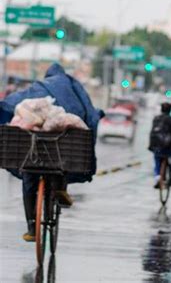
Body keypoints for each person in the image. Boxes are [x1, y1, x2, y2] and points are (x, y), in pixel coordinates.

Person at [0, 63, 103, 242]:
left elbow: (15, 101)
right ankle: (60, 189)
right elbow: (87, 109)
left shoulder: (39, 87)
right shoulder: (72, 86)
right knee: (62, 163)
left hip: (32, 153)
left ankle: (32, 228)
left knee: (28, 181)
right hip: (59, 148)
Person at [148, 103, 171, 189]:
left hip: (156, 145)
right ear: (170, 110)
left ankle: (158, 176)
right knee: (169, 157)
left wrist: (150, 145)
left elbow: (152, 133)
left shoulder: (156, 119)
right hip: (168, 147)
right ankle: (168, 176)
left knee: (157, 159)